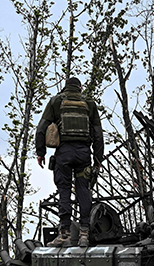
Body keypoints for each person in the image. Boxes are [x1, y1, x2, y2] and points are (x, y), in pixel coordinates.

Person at [35, 77, 104, 248]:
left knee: (64, 189)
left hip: (64, 154)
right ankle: (84, 234)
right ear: (80, 88)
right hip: (83, 154)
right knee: (83, 190)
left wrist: (40, 152)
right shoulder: (89, 103)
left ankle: (64, 234)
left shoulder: (56, 102)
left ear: (66, 88)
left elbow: (41, 128)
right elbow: (98, 134)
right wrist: (98, 159)